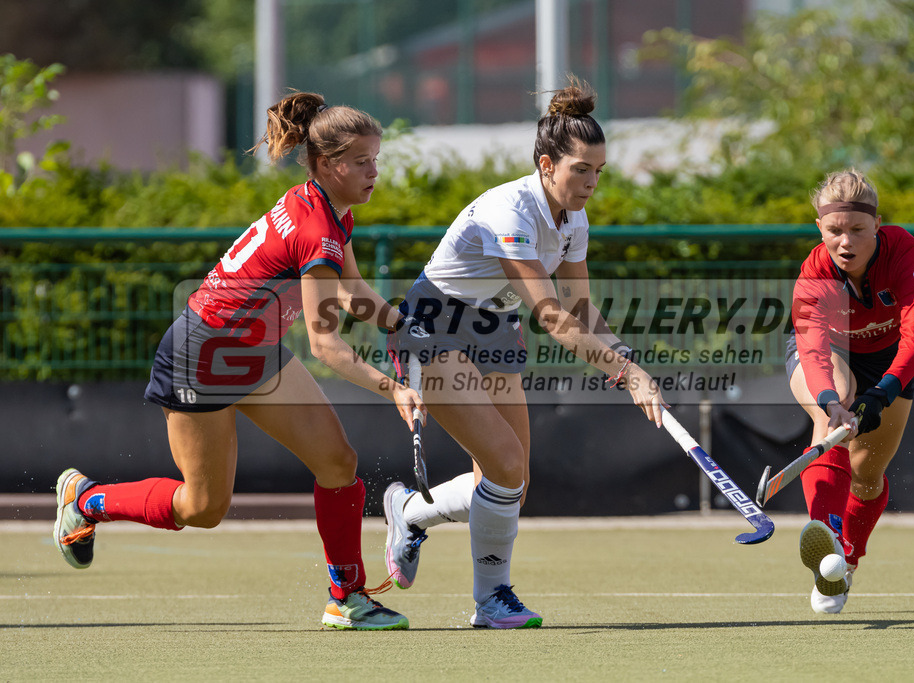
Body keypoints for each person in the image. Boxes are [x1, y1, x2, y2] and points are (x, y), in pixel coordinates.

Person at [52, 92, 423, 631]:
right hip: (203, 355)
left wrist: (399, 324)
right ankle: (87, 501)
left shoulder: (328, 209)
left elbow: (353, 290)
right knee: (203, 508)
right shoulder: (318, 230)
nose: (374, 173)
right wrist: (394, 389)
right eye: (361, 162)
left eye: (375, 160)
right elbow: (325, 347)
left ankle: (347, 598)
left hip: (253, 351)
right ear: (325, 163)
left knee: (338, 463)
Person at [382, 78, 666, 629]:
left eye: (598, 172)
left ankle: (409, 513)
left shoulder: (574, 219)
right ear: (545, 163)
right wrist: (626, 373)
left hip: (493, 327)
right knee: (505, 467)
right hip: (435, 325)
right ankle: (492, 600)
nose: (589, 184)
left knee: (511, 479)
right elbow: (553, 317)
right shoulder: (511, 210)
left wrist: (627, 357)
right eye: (579, 170)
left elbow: (582, 309)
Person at [787, 168, 914, 614]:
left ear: (877, 224)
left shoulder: (908, 254)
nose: (845, 242)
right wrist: (831, 402)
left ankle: (845, 562)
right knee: (832, 406)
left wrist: (884, 391)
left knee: (868, 477)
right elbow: (812, 351)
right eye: (834, 231)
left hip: (889, 361)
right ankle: (825, 536)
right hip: (829, 353)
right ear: (820, 228)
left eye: (857, 230)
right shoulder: (814, 273)